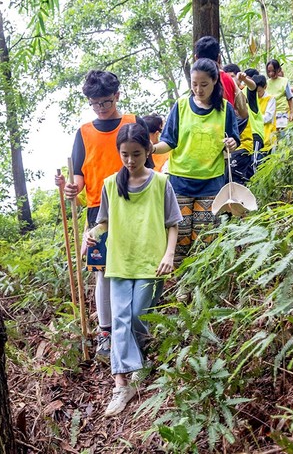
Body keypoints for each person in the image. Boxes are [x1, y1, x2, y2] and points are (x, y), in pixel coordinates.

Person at [87, 123, 182, 417]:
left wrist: (169, 254)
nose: (130, 160)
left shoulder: (160, 183)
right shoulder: (110, 185)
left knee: (140, 316)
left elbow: (173, 223)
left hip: (151, 261)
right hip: (119, 260)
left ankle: (138, 362)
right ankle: (121, 384)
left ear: (148, 151)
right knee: (120, 319)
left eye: (136, 154)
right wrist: (93, 232)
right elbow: (103, 221)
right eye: (125, 154)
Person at [56, 70, 148, 362]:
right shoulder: (84, 132)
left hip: (134, 204)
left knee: (136, 268)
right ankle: (105, 333)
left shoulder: (133, 123)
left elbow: (151, 165)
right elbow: (79, 173)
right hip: (99, 210)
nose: (100, 108)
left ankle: (137, 329)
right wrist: (72, 187)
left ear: (117, 95)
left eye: (105, 102)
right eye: (94, 103)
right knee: (103, 274)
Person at [152, 58, 239, 265]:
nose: (198, 89)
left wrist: (232, 143)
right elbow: (168, 142)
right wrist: (152, 149)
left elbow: (234, 139)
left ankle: (199, 285)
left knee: (205, 238)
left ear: (215, 81)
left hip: (211, 182)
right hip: (180, 182)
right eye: (194, 84)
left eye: (204, 84)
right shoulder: (181, 106)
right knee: (179, 237)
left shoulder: (225, 109)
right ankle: (182, 289)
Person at [194, 36, 249, 120]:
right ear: (218, 58)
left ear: (196, 58)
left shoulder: (196, 84)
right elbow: (244, 113)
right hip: (226, 128)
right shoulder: (229, 79)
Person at [230, 71, 264, 185]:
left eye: (232, 76)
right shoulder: (228, 97)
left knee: (254, 168)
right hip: (240, 145)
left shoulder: (245, 93)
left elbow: (253, 87)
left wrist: (244, 79)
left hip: (254, 137)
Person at [265, 59, 293, 129]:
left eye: (273, 71)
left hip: (282, 113)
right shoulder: (266, 83)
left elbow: (289, 98)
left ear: (278, 69)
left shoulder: (284, 81)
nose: (271, 74)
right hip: (270, 113)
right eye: (269, 71)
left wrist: (291, 113)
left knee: (282, 135)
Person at [254, 74, 277, 157]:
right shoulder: (252, 99)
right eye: (255, 91)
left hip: (268, 134)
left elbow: (268, 117)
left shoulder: (270, 99)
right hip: (256, 135)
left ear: (265, 87)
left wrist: (254, 120)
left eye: (259, 91)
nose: (257, 93)